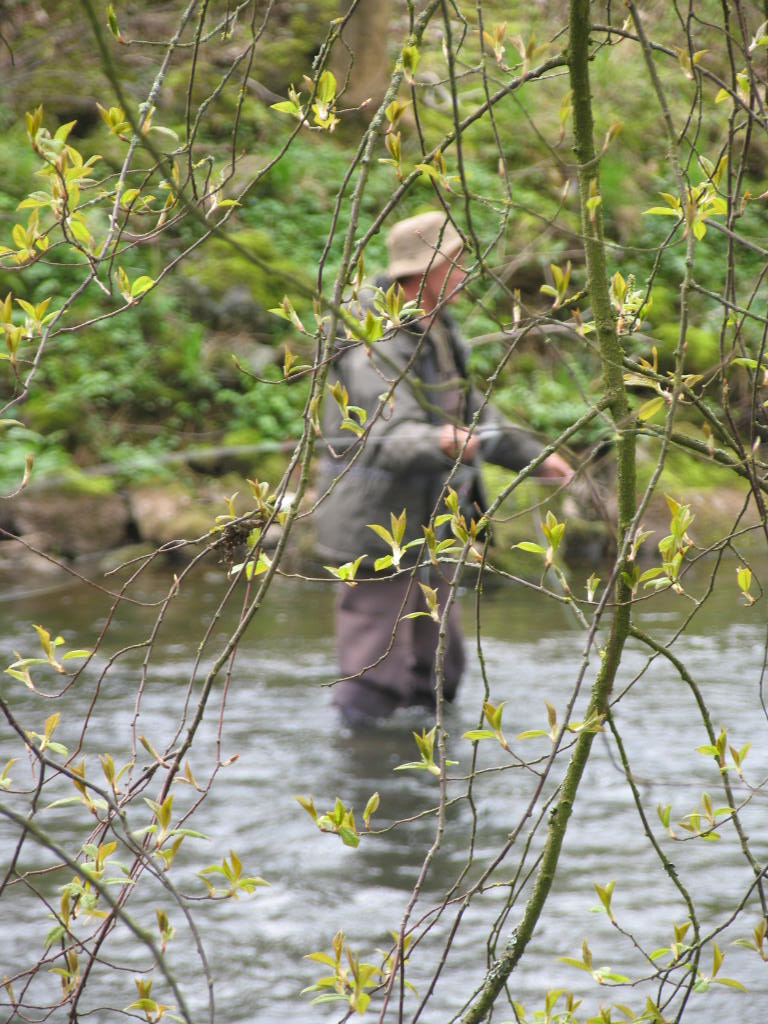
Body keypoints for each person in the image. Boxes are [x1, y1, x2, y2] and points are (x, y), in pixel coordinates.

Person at [315, 211, 571, 726]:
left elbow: (471, 411)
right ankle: (368, 775)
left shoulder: (436, 326)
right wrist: (444, 441)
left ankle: (427, 779)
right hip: (378, 531)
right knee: (374, 676)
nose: (465, 273)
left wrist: (537, 459)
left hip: (435, 522)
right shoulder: (375, 337)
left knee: (441, 670)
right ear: (425, 267)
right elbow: (388, 434)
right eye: (455, 261)